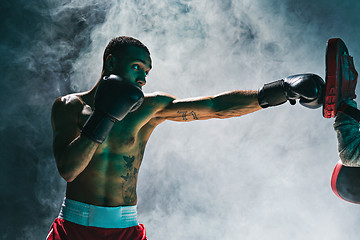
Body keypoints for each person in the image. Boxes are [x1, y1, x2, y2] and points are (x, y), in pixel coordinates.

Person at [46, 36, 324, 239]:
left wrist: (280, 91)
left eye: (147, 72)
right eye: (137, 67)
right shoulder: (69, 107)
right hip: (73, 229)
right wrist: (105, 116)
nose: (143, 79)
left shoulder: (149, 109)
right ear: (111, 62)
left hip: (124, 230)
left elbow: (215, 107)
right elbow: (69, 170)